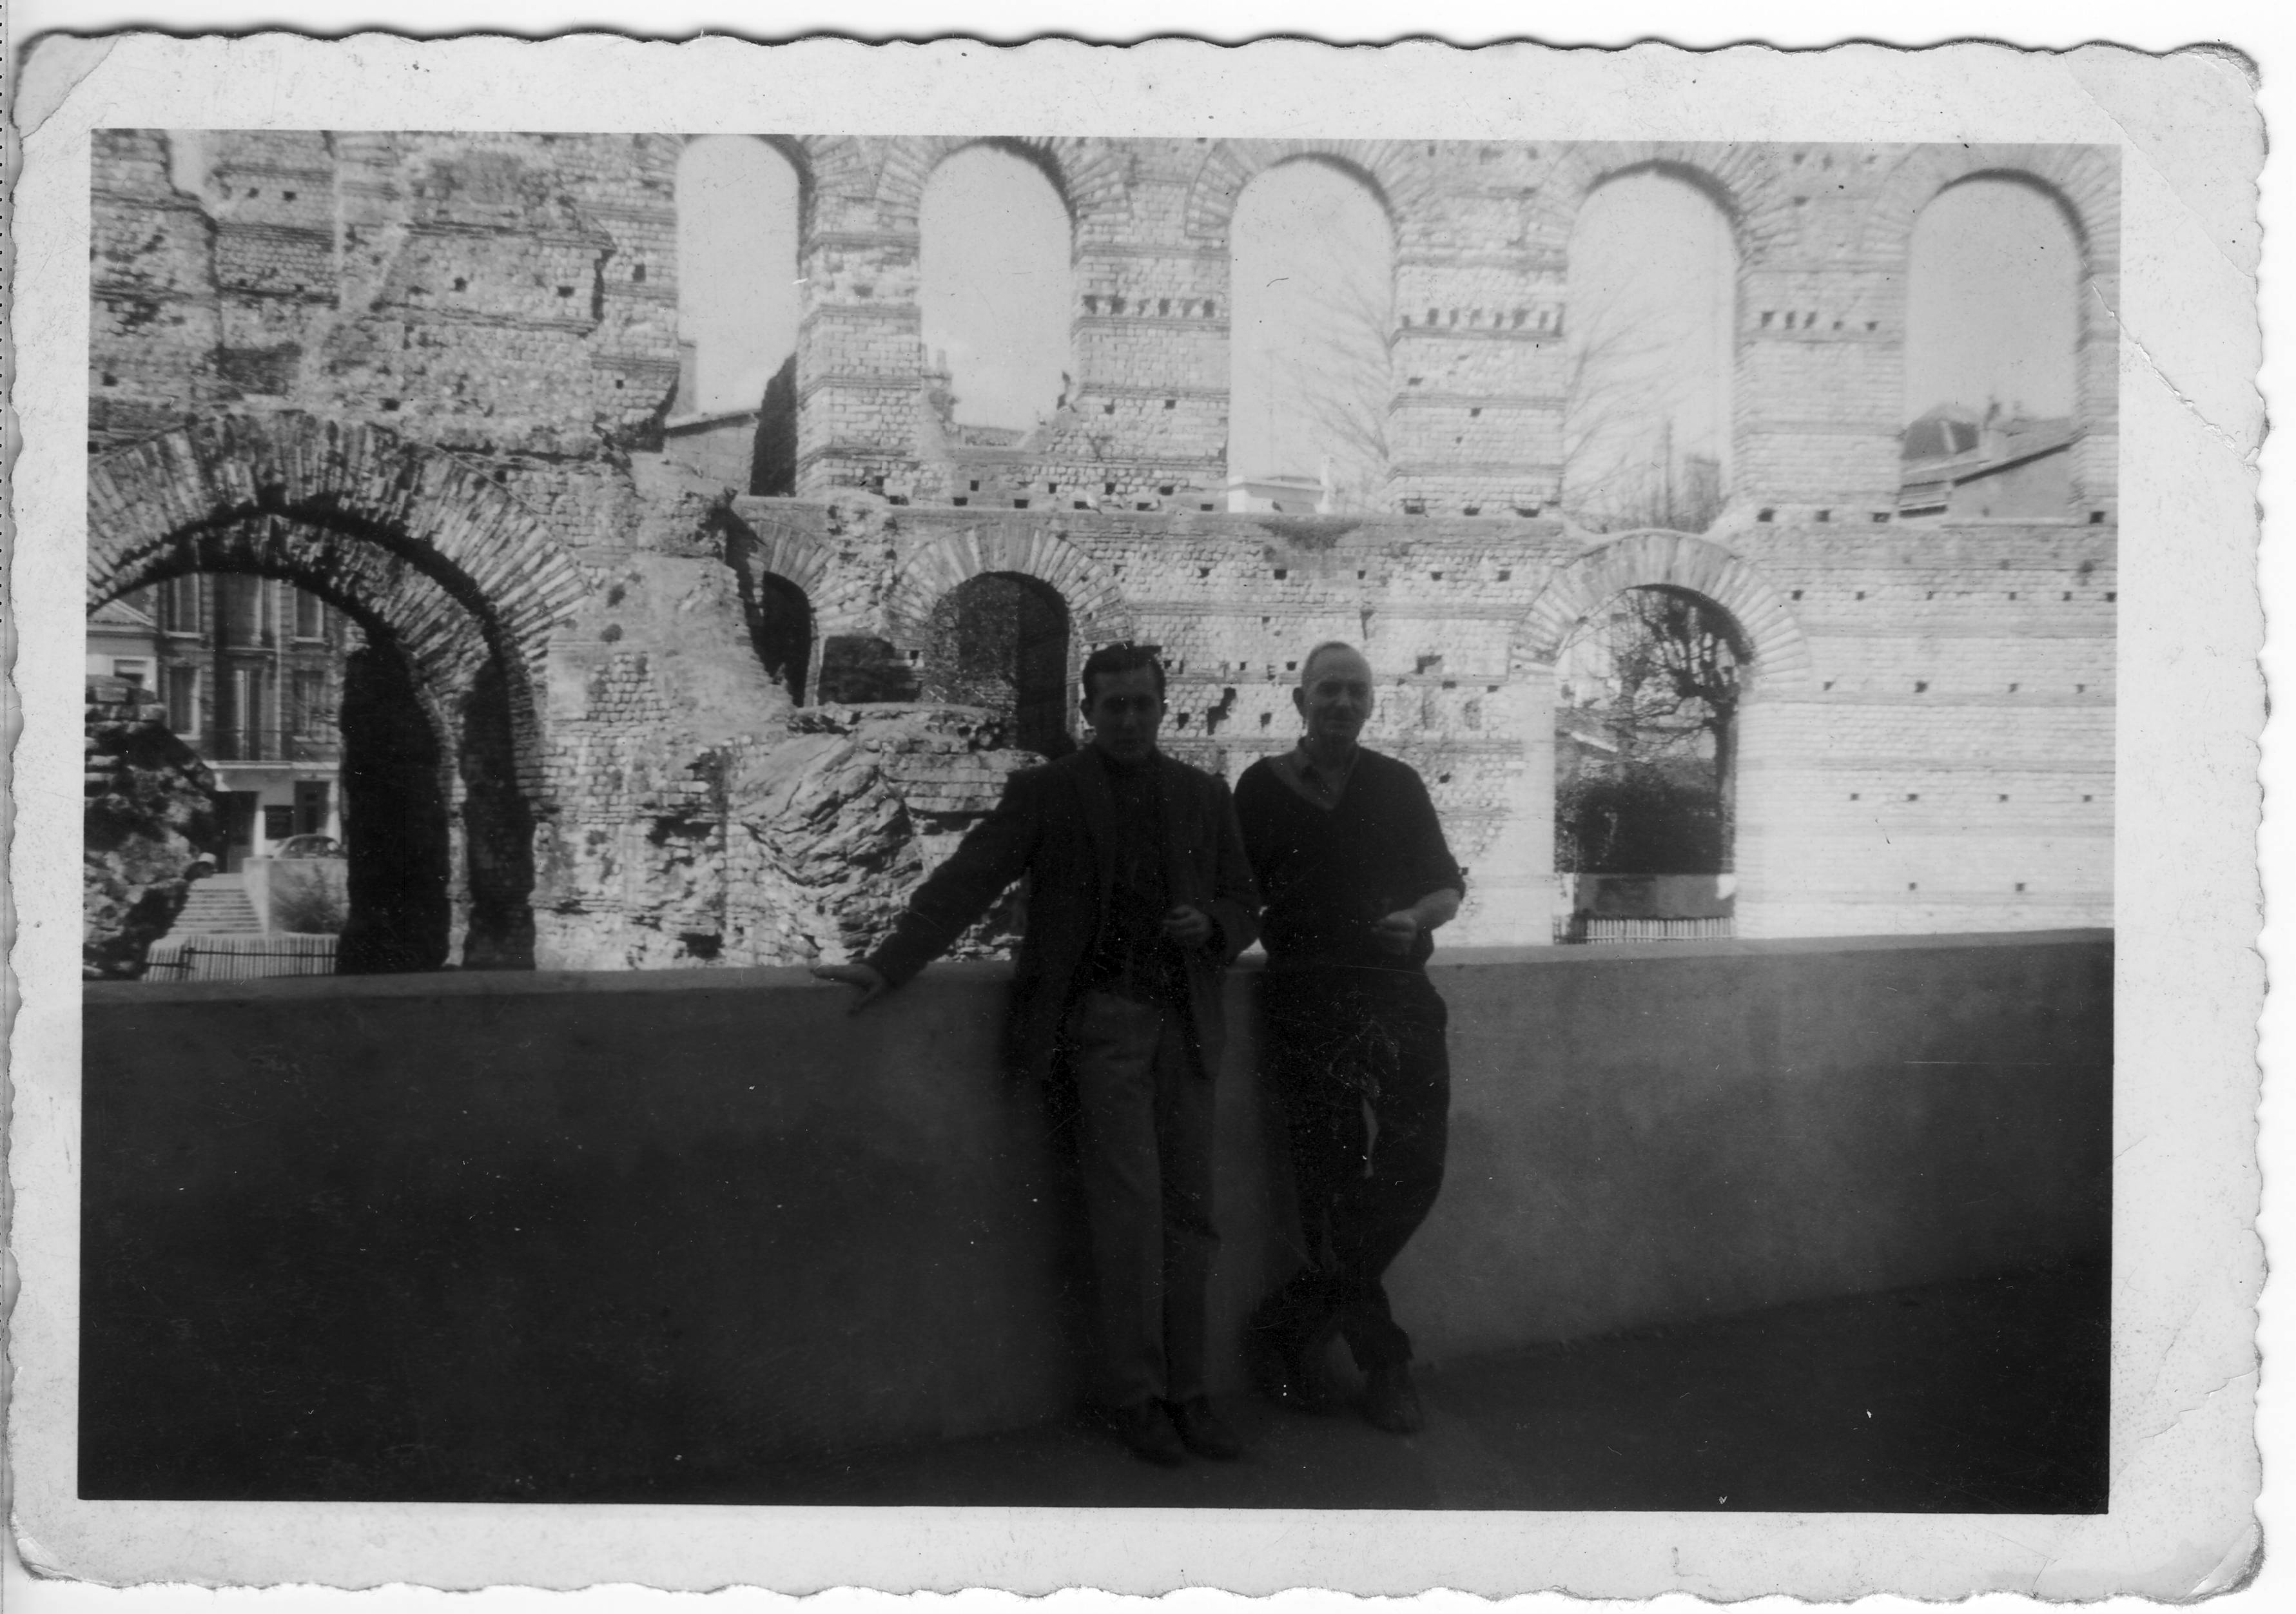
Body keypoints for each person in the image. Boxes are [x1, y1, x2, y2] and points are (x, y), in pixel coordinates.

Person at [813, 644, 1261, 1466]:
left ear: (1164, 708)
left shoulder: (1202, 794)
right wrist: (891, 961)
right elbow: (968, 878)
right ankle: (1137, 1398)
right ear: (1086, 712)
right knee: (1128, 1219)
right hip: (1102, 1028)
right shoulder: (1048, 791)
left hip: (1187, 1029)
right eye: (1113, 705)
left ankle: (1190, 1394)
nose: (1129, 719)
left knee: (1191, 1220)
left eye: (1142, 703)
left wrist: (1215, 926)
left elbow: (1244, 899)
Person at [1234, 641, 1464, 1435]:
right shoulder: (1258, 789)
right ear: (1299, 701)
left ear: (1371, 704)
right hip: (1307, 1000)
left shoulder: (1397, 784)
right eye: (1327, 689)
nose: (1341, 702)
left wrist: (1416, 916)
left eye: (1355, 691)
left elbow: (1445, 885)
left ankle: (1289, 1317)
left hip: (1396, 995)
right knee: (1328, 1180)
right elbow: (1235, 893)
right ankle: (1384, 1363)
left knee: (1416, 1163)